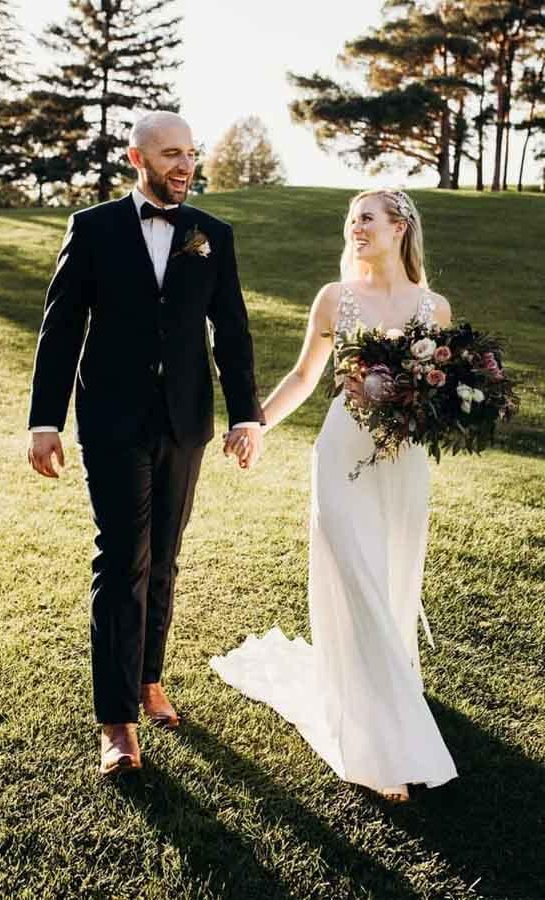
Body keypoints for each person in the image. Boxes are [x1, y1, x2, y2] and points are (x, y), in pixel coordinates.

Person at [27, 111, 264, 776]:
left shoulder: (212, 235)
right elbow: (61, 327)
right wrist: (43, 421)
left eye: (190, 153)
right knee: (122, 558)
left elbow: (233, 331)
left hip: (185, 422)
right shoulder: (93, 228)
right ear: (137, 159)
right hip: (111, 419)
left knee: (164, 557)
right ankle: (116, 721)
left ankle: (148, 678)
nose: (184, 166)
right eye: (170, 154)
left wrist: (247, 417)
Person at [214, 189, 458, 801]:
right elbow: (305, 375)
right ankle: (379, 751)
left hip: (403, 462)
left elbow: (444, 394)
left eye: (366, 218)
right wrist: (255, 424)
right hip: (342, 455)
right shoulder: (334, 297)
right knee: (355, 576)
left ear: (400, 227)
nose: (355, 227)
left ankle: (387, 689)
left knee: (393, 574)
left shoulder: (435, 307)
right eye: (351, 220)